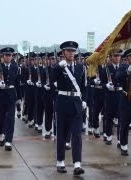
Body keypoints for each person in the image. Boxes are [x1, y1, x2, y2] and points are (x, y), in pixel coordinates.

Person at [51, 41, 86, 176]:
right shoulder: (58, 67)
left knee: (77, 135)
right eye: (68, 51)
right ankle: (60, 161)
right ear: (63, 53)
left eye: (73, 51)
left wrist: (85, 101)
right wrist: (58, 68)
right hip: (63, 103)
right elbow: (51, 82)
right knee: (62, 134)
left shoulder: (81, 68)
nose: (71, 53)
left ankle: (77, 164)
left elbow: (84, 87)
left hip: (76, 104)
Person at [0, 47, 21, 151]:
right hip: (1, 95)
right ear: (3, 56)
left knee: (10, 119)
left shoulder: (15, 68)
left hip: (11, 95)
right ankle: (1, 133)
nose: (8, 57)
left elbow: (17, 83)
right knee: (1, 118)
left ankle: (9, 140)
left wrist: (19, 97)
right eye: (6, 55)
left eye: (10, 55)